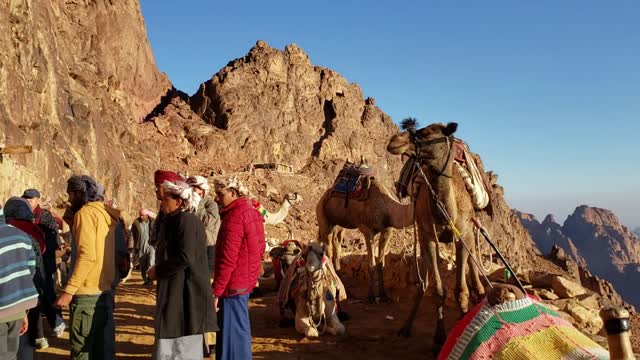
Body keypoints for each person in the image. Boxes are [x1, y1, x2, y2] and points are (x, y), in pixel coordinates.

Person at [53, 175, 122, 360]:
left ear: (78, 193)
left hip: (86, 296)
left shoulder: (85, 214)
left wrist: (69, 290)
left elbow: (88, 256)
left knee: (83, 351)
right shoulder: (104, 213)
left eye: (70, 194)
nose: (68, 199)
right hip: (104, 291)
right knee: (103, 350)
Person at [146, 181, 217, 359]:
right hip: (176, 290)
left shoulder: (187, 221)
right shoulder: (174, 220)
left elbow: (186, 257)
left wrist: (159, 270)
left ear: (178, 202)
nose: (162, 203)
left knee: (182, 339)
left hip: (186, 294)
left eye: (165, 199)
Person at [212, 176, 265, 360]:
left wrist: (216, 292)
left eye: (221, 194)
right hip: (242, 286)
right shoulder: (252, 213)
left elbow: (228, 260)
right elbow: (260, 248)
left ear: (233, 193)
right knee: (240, 334)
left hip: (232, 288)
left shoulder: (234, 218)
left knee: (230, 339)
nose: (218, 198)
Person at [3, 197, 48, 355]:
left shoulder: (12, 227)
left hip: (5, 301)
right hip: (25, 293)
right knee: (19, 344)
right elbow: (40, 253)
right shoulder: (32, 231)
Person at [21, 189, 66, 338]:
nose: (28, 201)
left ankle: (57, 322)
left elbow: (53, 236)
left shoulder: (45, 216)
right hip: (32, 260)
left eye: (31, 199)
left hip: (45, 261)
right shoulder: (23, 216)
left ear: (37, 200)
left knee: (48, 291)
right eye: (26, 198)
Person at [0, 205, 38, 360]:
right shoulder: (22, 236)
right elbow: (29, 272)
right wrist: (23, 312)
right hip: (17, 309)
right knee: (10, 355)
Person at [186, 175, 220, 278]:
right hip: (190, 245)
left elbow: (209, 222)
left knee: (206, 276)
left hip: (207, 245)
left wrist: (198, 205)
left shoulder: (211, 204)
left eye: (195, 188)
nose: (193, 191)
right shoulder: (187, 204)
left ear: (203, 190)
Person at [131, 209, 156, 285]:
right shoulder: (136, 223)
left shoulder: (153, 222)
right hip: (140, 246)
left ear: (147, 215)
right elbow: (132, 235)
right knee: (143, 265)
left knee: (151, 262)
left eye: (143, 215)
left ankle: (150, 279)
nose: (141, 217)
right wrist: (132, 247)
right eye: (140, 215)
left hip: (151, 246)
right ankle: (146, 280)